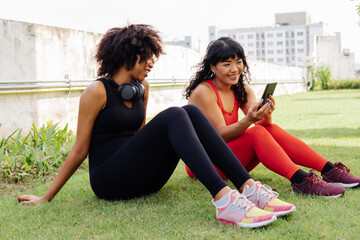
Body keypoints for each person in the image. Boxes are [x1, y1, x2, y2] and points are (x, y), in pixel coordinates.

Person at [16, 25, 298, 228]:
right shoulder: (97, 92)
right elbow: (79, 150)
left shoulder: (142, 88)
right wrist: (46, 196)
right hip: (109, 180)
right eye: (146, 57)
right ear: (128, 55)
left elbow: (139, 135)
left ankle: (249, 189)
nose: (151, 63)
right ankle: (225, 201)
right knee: (177, 113)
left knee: (187, 112)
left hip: (143, 178)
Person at [184, 37, 360, 198]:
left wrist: (266, 114)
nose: (234, 69)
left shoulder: (241, 89)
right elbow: (220, 135)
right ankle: (300, 181)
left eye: (238, 62)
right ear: (212, 67)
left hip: (229, 157)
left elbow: (263, 125)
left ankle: (329, 170)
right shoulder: (204, 92)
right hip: (205, 164)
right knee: (256, 133)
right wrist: (249, 120)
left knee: (268, 129)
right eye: (227, 64)